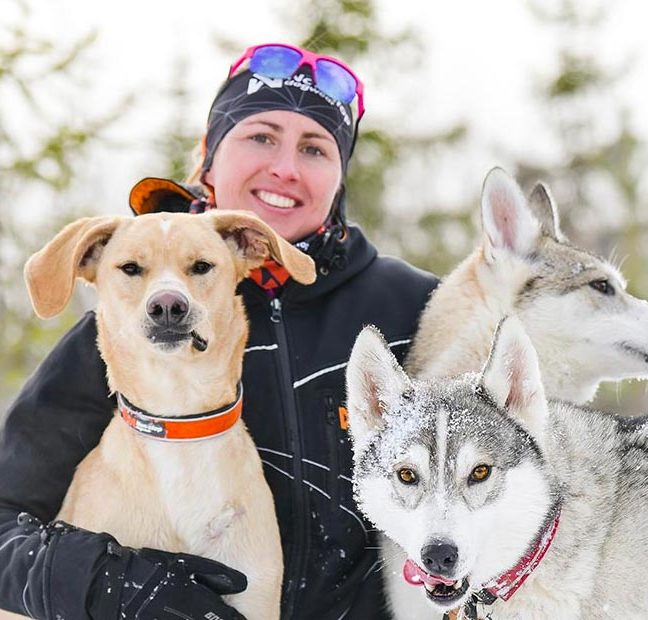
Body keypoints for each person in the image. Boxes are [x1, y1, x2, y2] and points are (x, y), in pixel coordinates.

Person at [0, 43, 437, 619]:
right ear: (209, 155)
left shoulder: (418, 307)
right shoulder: (111, 330)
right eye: (260, 136)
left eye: (314, 147)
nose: (285, 166)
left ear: (339, 175)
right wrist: (107, 584)